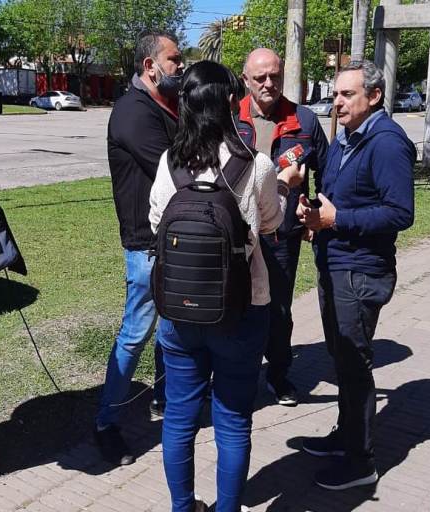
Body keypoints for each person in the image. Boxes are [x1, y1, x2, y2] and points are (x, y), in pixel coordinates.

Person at [149, 60, 300, 512]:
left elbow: (156, 224)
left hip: (179, 309)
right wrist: (284, 187)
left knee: (179, 419)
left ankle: (182, 507)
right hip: (243, 307)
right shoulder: (256, 165)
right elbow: (270, 225)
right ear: (232, 103)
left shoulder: (169, 163)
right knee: (233, 420)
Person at [297, 60, 415, 490]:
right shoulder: (347, 136)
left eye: (347, 94)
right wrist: (315, 213)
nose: (337, 102)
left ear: (375, 96)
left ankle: (361, 461)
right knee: (342, 359)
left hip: (360, 270)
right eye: (336, 94)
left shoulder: (387, 143)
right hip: (335, 263)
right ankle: (346, 437)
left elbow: (400, 213)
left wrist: (337, 219)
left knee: (354, 364)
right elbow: (338, 195)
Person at [96, 30, 184, 466]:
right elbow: (177, 168)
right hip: (147, 245)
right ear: (150, 67)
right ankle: (105, 424)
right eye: (174, 60)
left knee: (173, 330)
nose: (180, 66)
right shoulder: (133, 112)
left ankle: (165, 401)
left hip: (174, 239)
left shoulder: (166, 105)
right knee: (135, 334)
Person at [238, 48, 328, 406]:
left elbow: (325, 170)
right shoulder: (229, 117)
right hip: (238, 233)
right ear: (246, 80)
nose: (268, 83)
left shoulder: (304, 120)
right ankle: (236, 375)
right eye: (260, 77)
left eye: (274, 76)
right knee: (236, 305)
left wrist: (315, 210)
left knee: (278, 310)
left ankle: (278, 375)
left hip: (281, 235)